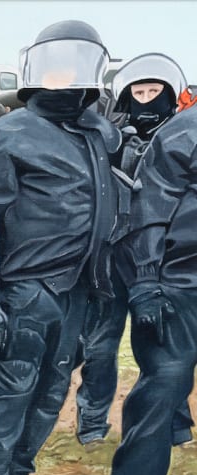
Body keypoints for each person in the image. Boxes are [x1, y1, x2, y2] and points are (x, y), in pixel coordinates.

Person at [0, 21, 122, 475]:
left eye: (73, 70)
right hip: (24, 293)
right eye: (55, 70)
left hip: (78, 293)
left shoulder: (94, 136)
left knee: (49, 397)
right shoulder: (8, 134)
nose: (63, 80)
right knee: (6, 400)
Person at [73, 54, 190, 448]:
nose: (145, 99)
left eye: (154, 91)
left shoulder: (183, 140)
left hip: (162, 264)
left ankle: (174, 422)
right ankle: (91, 423)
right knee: (101, 346)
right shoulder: (110, 140)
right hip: (110, 262)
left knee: (163, 345)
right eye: (138, 92)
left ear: (171, 94)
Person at [108, 67, 197, 475]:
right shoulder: (183, 133)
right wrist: (145, 281)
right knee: (167, 374)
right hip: (180, 280)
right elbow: (149, 207)